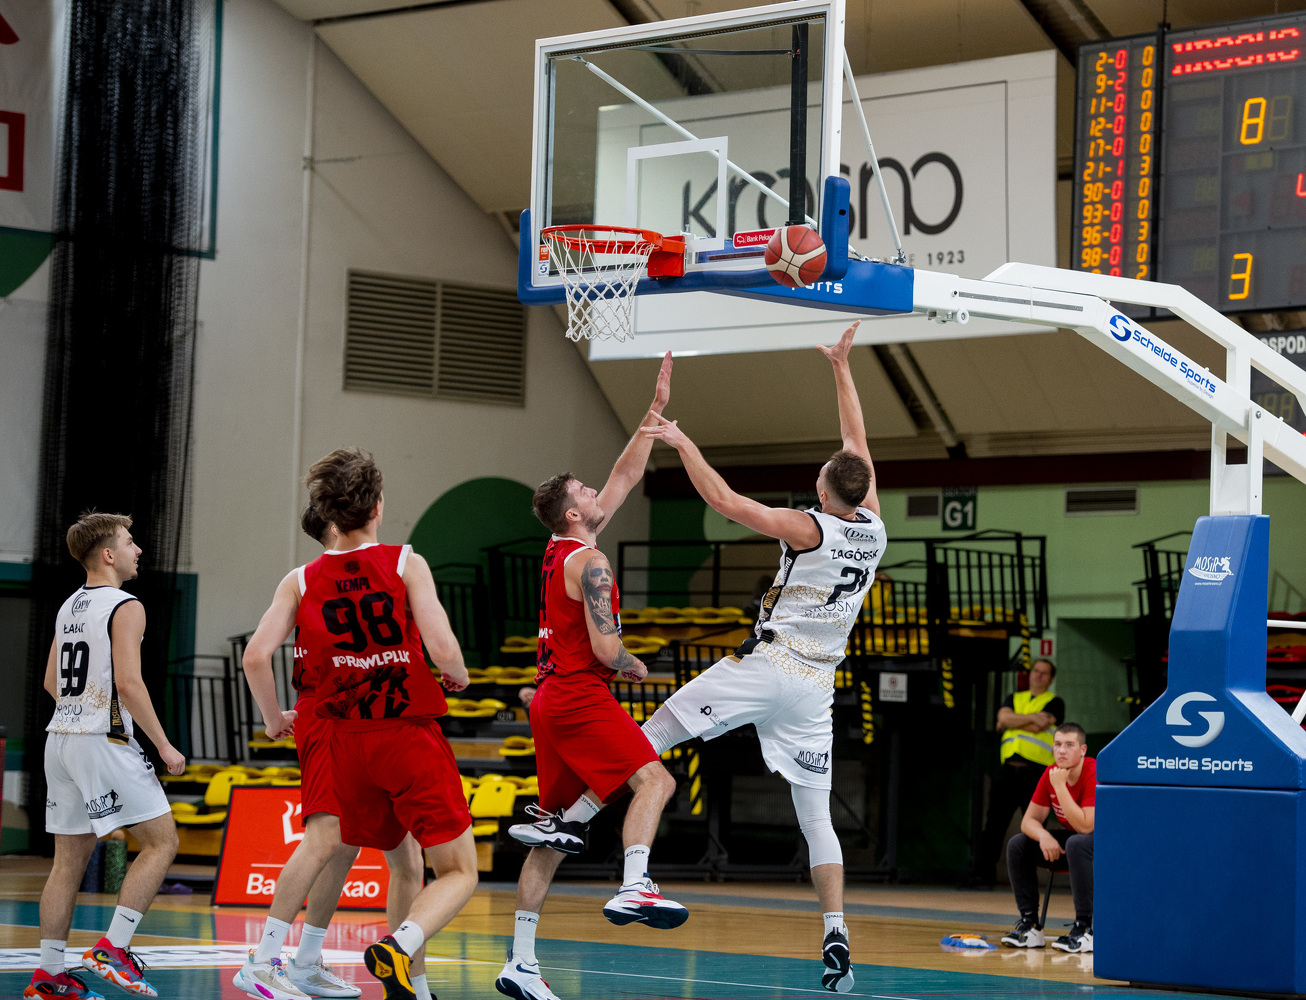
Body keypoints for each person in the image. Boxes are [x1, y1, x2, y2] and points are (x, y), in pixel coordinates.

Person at [640, 320, 884, 993]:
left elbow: (723, 500)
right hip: (816, 687)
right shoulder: (875, 527)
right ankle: (836, 930)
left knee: (653, 733)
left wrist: (683, 442)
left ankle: (575, 826)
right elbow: (857, 444)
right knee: (817, 819)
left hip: (771, 665)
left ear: (825, 491)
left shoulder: (808, 527)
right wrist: (841, 367)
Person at [497, 354, 684, 1000]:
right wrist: (629, 661)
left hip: (553, 698)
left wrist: (652, 414)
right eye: (584, 491)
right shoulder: (593, 562)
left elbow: (624, 476)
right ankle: (636, 883)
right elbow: (606, 648)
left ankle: (520, 961)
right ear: (574, 514)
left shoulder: (560, 547)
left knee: (555, 835)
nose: (594, 493)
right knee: (656, 780)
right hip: (579, 694)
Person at [297, 449, 479, 1000]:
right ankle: (398, 947)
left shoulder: (304, 578)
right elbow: (443, 647)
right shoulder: (404, 562)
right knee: (460, 871)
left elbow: (261, 654)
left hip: (349, 742)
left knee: (406, 863)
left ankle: (411, 987)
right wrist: (457, 673)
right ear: (377, 505)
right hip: (404, 733)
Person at [234, 506, 431, 1000]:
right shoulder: (380, 568)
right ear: (342, 520)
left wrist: (273, 718)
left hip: (365, 716)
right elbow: (254, 655)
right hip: (343, 714)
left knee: (369, 848)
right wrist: (274, 718)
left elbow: (257, 657)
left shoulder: (306, 580)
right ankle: (262, 961)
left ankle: (309, 962)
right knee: (327, 838)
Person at [29, 512, 186, 999]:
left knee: (66, 864)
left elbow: (51, 681)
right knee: (162, 843)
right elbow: (128, 683)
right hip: (102, 739)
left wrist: (80, 713)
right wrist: (163, 744)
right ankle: (113, 949)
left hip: (60, 741)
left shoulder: (68, 605)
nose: (138, 550)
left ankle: (48, 976)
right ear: (109, 554)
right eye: (130, 542)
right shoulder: (126, 605)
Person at [1000, 722, 1094, 955]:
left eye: (1069, 745)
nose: (1061, 751)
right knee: (1018, 844)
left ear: (1083, 750)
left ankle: (1085, 928)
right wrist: (1044, 836)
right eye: (1058, 744)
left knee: (1076, 842)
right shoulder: (1050, 773)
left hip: (1105, 846)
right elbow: (1028, 821)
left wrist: (1060, 787)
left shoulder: (1093, 771)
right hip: (1075, 845)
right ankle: (1030, 926)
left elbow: (1085, 826)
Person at [972, 658, 1064, 888]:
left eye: (1044, 673)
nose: (1038, 675)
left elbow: (1037, 725)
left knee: (1034, 827)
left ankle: (1028, 880)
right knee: (994, 826)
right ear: (1029, 674)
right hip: (1007, 773)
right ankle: (983, 877)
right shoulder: (1014, 697)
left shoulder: (1055, 702)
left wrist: (1012, 721)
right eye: (1036, 671)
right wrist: (1031, 718)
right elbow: (1008, 718)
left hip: (1037, 775)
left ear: (1051, 679)